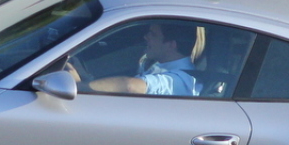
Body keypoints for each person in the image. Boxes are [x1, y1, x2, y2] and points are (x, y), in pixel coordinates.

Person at [69, 22, 202, 96]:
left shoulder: (181, 79)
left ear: (171, 45)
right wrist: (87, 78)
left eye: (153, 35)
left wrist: (78, 86)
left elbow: (130, 86)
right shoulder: (158, 65)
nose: (146, 37)